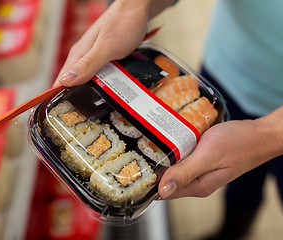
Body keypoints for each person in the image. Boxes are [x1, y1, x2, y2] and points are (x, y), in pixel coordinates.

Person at [54, 0, 283, 238]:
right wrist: (135, 7)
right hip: (224, 65)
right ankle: (234, 229)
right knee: (240, 181)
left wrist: (266, 137)